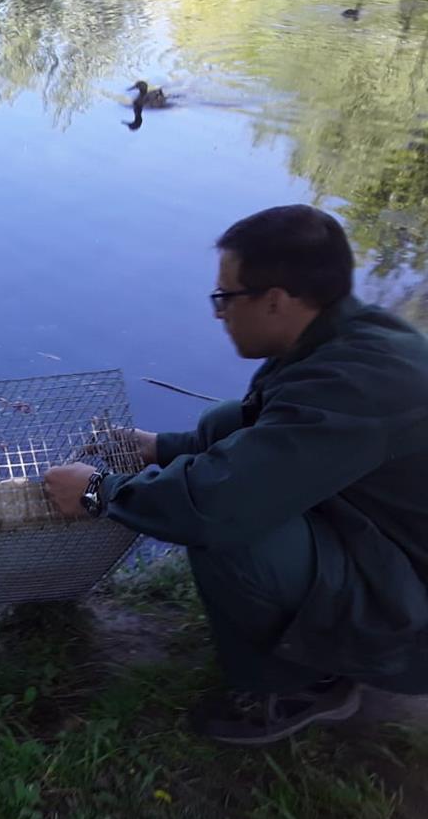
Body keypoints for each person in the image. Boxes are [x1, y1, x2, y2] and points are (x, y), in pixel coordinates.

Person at [43, 204, 428, 746]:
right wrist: (160, 450)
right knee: (229, 424)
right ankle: (320, 637)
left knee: (233, 530)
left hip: (413, 619)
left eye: (225, 297)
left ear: (275, 301)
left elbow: (215, 506)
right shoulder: (345, 337)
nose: (218, 312)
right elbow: (268, 431)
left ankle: (305, 687)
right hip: (389, 544)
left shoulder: (361, 380)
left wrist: (94, 491)